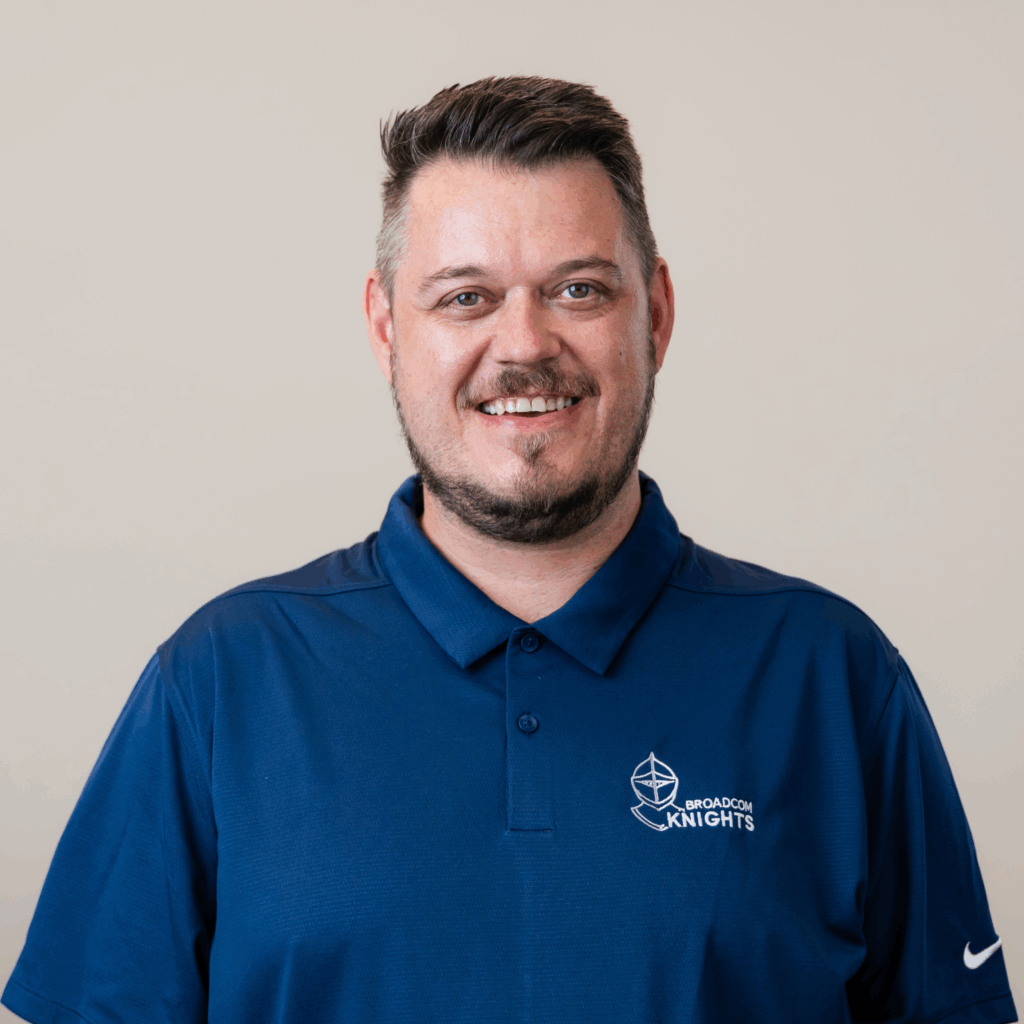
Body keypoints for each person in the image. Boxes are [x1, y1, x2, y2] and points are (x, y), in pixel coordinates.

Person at [2, 76, 1016, 1024]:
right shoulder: (221, 682)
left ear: (656, 314)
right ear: (384, 326)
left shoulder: (832, 678)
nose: (524, 345)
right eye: (465, 297)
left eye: (578, 290)